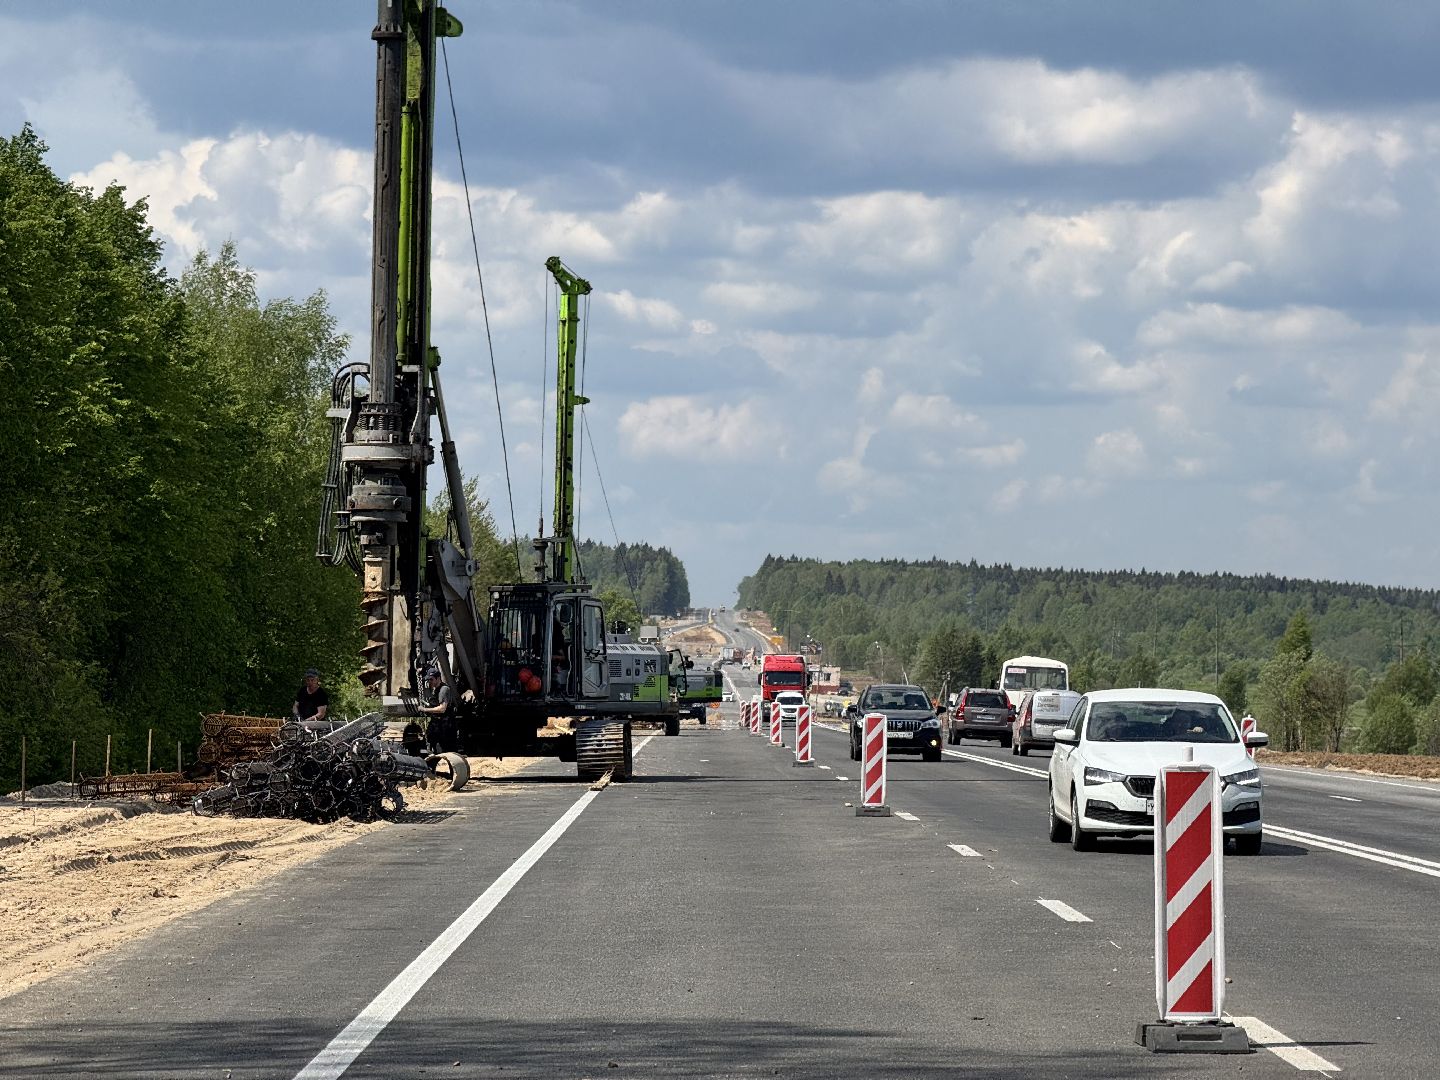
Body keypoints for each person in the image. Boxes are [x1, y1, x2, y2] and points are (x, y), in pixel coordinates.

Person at [420, 667, 458, 751]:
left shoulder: (443, 689)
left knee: (446, 748)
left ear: (438, 678)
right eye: (428, 680)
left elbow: (442, 709)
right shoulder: (436, 690)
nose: (429, 682)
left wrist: (425, 709)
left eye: (431, 679)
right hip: (437, 724)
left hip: (445, 725)